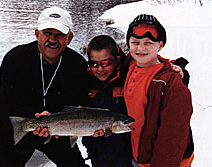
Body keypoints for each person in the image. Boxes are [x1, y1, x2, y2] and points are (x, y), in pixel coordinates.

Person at [0, 6, 90, 167]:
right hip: (10, 121)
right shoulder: (15, 59)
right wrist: (36, 116)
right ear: (37, 34)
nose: (52, 40)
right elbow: (9, 101)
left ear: (69, 38)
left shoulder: (77, 65)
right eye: (47, 33)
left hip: (55, 125)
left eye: (59, 35)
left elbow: (76, 103)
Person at [124, 14, 194, 166]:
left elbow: (172, 138)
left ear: (160, 45)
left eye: (148, 43)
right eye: (135, 42)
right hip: (139, 156)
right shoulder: (129, 65)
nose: (141, 48)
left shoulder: (171, 85)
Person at [81, 35, 133, 167]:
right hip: (98, 153)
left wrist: (181, 72)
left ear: (117, 60)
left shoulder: (131, 74)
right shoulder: (84, 80)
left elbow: (159, 70)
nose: (100, 69)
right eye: (94, 64)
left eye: (105, 63)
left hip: (128, 154)